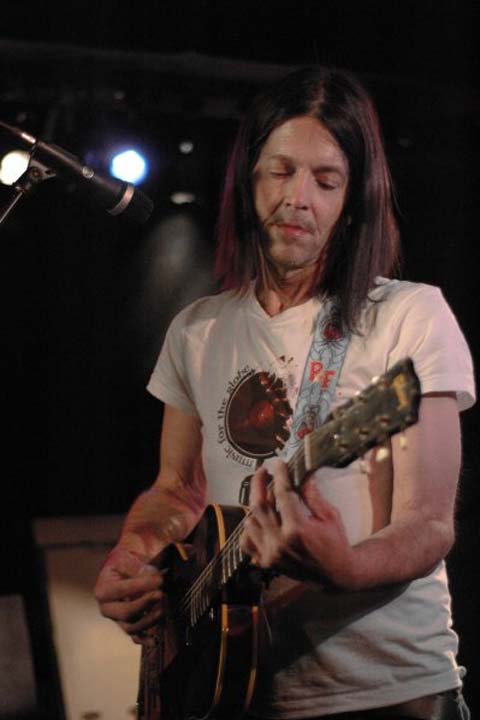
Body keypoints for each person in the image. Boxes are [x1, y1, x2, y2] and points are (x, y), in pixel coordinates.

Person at [94, 66, 475, 719]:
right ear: (247, 181)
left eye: (325, 181)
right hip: (233, 690)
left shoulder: (411, 315)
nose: (298, 198)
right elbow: (176, 488)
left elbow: (429, 523)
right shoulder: (197, 328)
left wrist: (346, 566)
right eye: (280, 172)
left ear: (353, 199)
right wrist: (134, 556)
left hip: (384, 691)